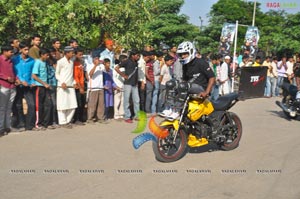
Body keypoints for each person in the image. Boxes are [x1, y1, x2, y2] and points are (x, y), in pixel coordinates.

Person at [161, 41, 215, 120]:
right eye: (181, 54)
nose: (183, 56)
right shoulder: (185, 65)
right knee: (170, 84)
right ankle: (169, 108)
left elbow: (212, 77)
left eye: (185, 53)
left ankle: (177, 110)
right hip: (189, 87)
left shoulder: (201, 62)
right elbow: (185, 79)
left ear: (191, 52)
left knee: (183, 85)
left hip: (201, 88)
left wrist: (206, 92)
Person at [12, 43, 37, 131]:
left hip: (29, 86)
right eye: (25, 49)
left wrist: (33, 82)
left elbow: (33, 73)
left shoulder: (32, 60)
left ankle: (29, 124)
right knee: (18, 105)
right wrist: (21, 80)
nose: (27, 51)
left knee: (31, 105)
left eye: (28, 50)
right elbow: (15, 72)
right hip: (19, 85)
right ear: (21, 50)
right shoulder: (15, 60)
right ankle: (20, 123)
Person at [115, 50, 141, 123]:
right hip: (127, 84)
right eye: (137, 55)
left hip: (134, 84)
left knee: (136, 100)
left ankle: (137, 115)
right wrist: (123, 75)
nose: (138, 57)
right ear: (133, 55)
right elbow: (116, 68)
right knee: (126, 101)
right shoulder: (126, 61)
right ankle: (127, 117)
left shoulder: (136, 63)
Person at [55, 46, 78, 128]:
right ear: (67, 53)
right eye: (71, 52)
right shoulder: (60, 62)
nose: (73, 54)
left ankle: (68, 121)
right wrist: (62, 82)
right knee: (62, 105)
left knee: (73, 105)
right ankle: (62, 122)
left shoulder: (71, 62)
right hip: (62, 86)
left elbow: (71, 74)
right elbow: (57, 74)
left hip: (70, 86)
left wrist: (74, 82)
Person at [32, 48, 54, 130]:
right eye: (46, 55)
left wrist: (47, 84)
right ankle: (38, 123)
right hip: (39, 86)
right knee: (39, 106)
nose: (47, 56)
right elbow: (34, 75)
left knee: (48, 104)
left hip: (46, 86)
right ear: (42, 55)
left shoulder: (45, 63)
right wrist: (43, 83)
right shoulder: (37, 62)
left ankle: (46, 123)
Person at [86, 55, 107, 124]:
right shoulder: (89, 65)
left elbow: (106, 70)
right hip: (93, 88)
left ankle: (100, 118)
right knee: (92, 104)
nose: (97, 60)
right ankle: (90, 118)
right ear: (93, 60)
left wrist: (104, 63)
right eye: (96, 58)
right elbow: (90, 74)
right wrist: (95, 66)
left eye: (98, 58)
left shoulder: (101, 66)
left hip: (100, 87)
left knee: (101, 104)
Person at [0, 46, 16, 136]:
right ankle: (1, 128)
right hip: (3, 86)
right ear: (4, 51)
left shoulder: (11, 61)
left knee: (9, 108)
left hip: (12, 86)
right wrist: (6, 78)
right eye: (10, 52)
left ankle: (7, 126)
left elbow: (14, 72)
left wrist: (16, 79)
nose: (12, 53)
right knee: (2, 108)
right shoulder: (0, 60)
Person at [72, 48, 86, 125]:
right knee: (78, 103)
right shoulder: (74, 63)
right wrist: (80, 87)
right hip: (77, 86)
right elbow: (76, 76)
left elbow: (82, 75)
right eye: (80, 55)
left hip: (82, 84)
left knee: (83, 102)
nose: (81, 56)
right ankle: (76, 119)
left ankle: (81, 117)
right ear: (76, 55)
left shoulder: (81, 63)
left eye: (82, 54)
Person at [113, 54, 127, 120]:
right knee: (117, 101)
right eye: (125, 60)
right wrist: (116, 86)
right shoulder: (116, 67)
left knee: (123, 101)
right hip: (118, 86)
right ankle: (116, 114)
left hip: (124, 86)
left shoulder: (125, 68)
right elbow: (114, 78)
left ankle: (121, 114)